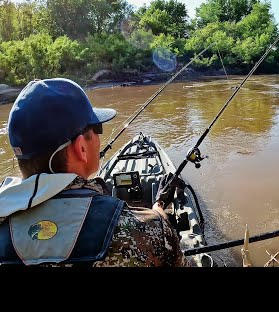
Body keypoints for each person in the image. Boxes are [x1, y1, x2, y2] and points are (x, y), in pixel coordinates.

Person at [0, 77, 190, 267]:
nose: (100, 136)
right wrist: (159, 210)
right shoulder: (149, 231)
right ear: (81, 148)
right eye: (97, 128)